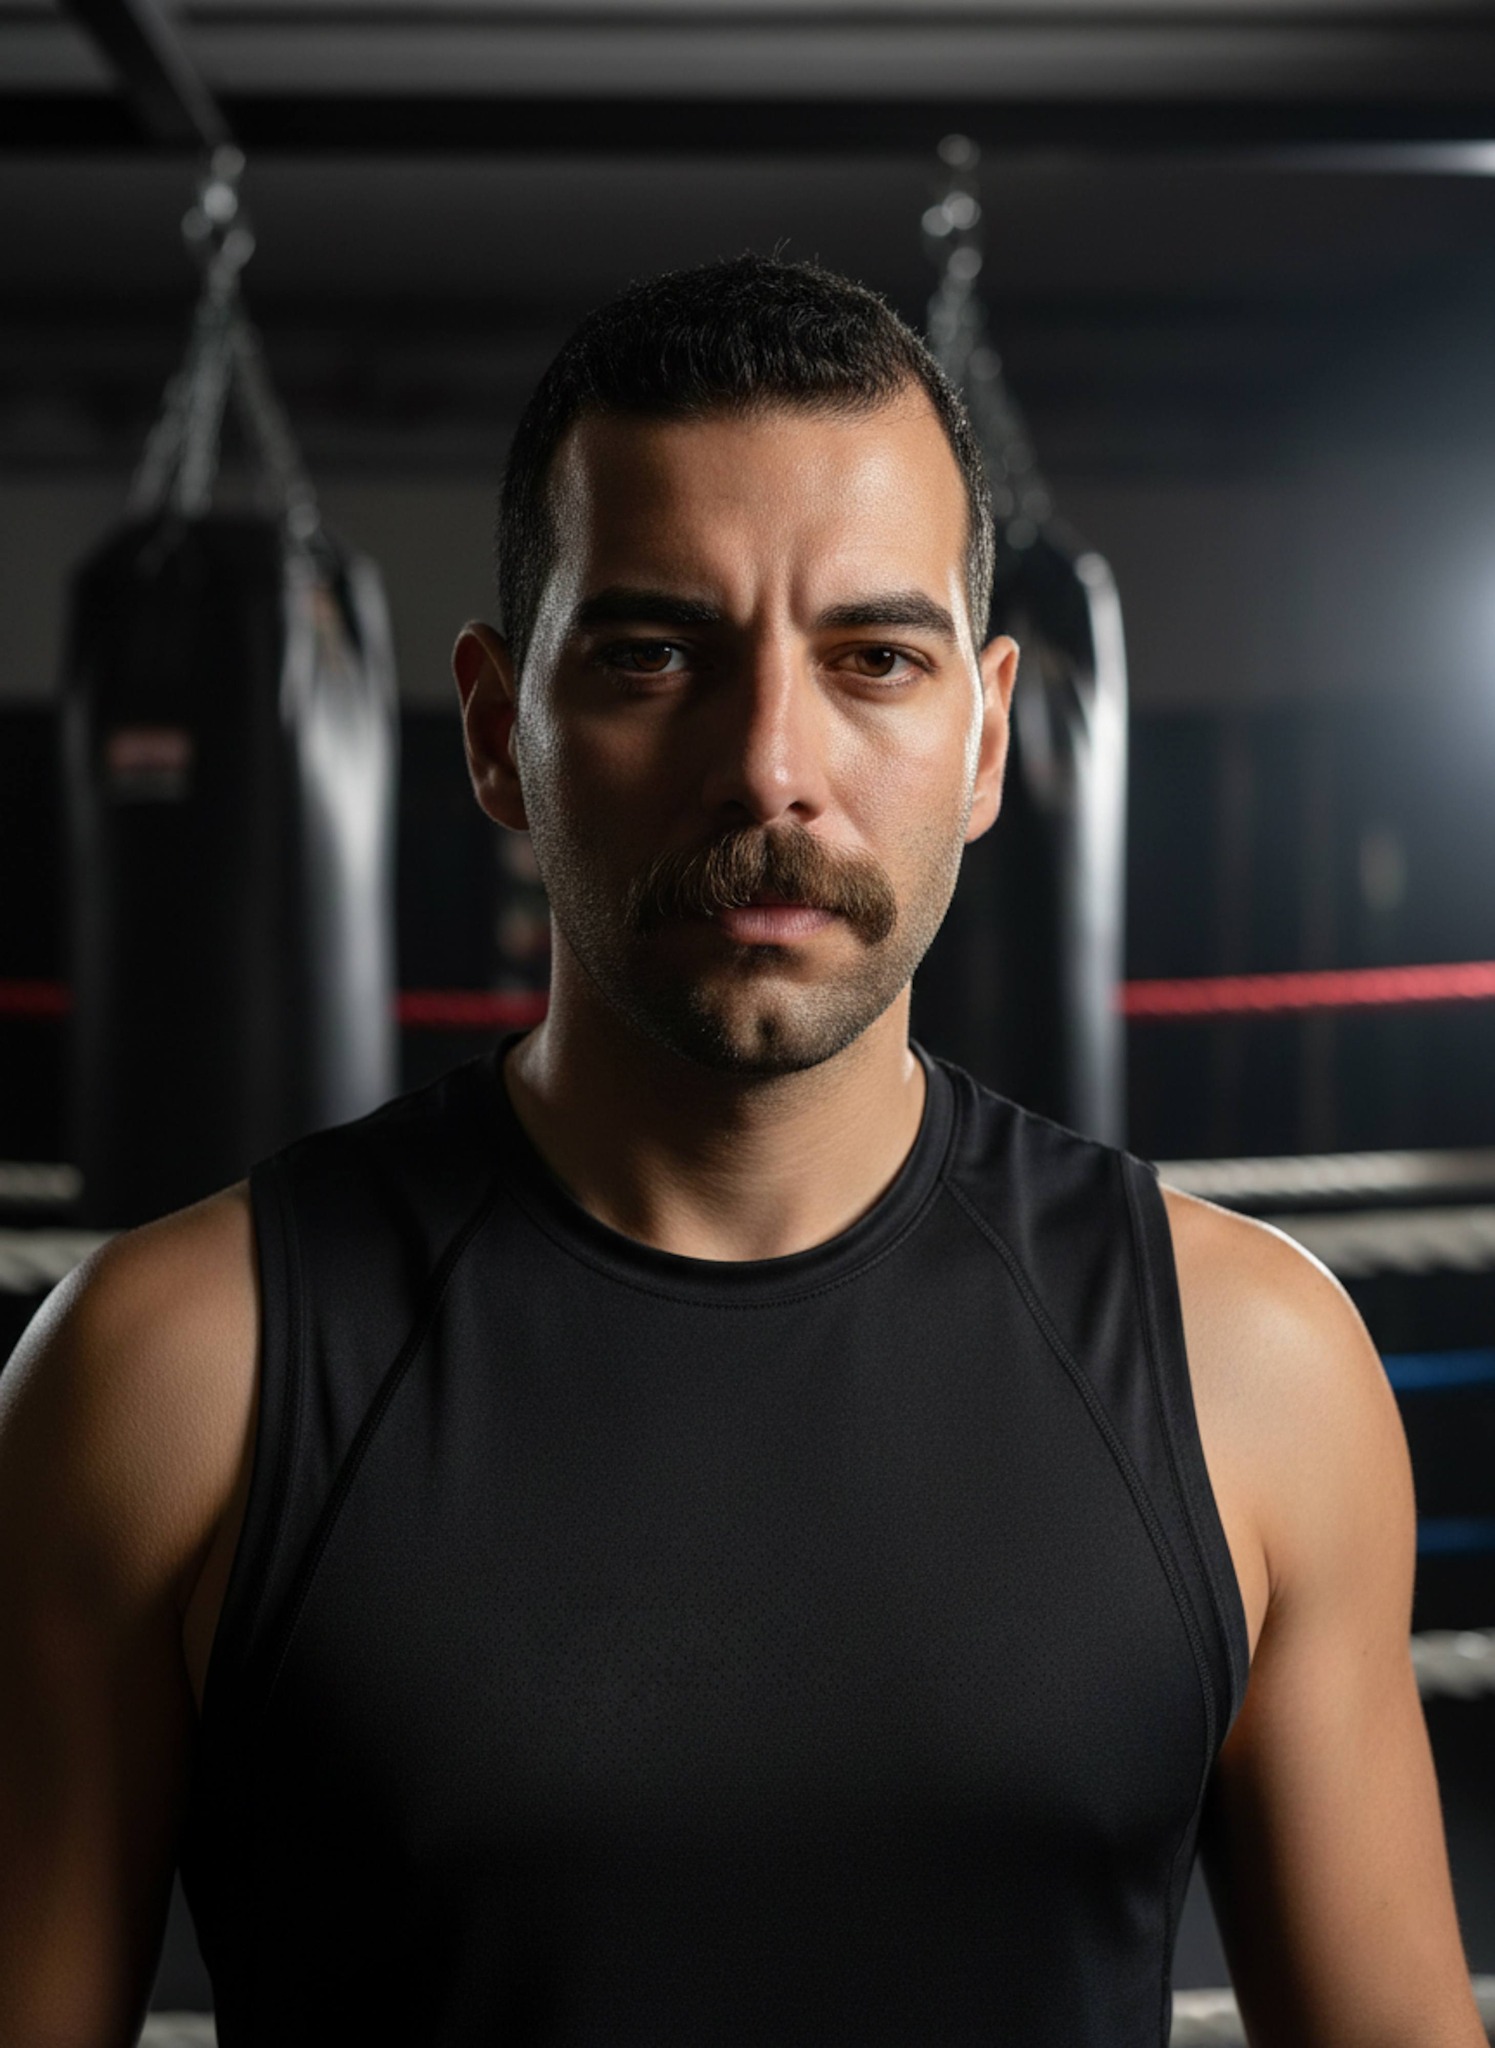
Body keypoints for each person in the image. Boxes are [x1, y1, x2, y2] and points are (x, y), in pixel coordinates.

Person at [0, 255, 1482, 2048]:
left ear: (991, 730)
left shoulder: (1255, 1370)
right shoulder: (172, 1372)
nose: (770, 764)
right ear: (497, 731)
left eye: (873, 659)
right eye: (652, 654)